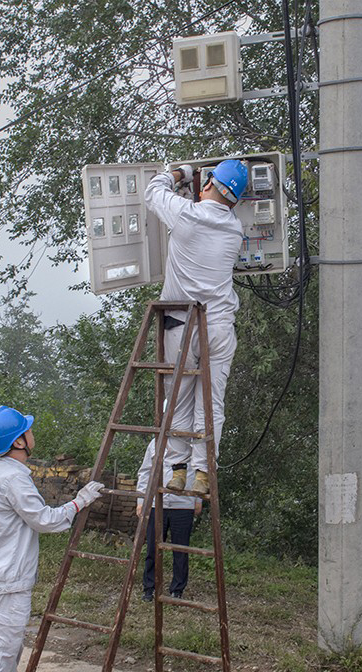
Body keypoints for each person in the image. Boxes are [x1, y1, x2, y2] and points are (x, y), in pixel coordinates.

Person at [0, 405, 103, 672]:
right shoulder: (13, 478)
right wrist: (80, 501)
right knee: (2, 644)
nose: (33, 433)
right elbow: (44, 520)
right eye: (27, 430)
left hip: (0, 570)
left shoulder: (0, 470)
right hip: (8, 575)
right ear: (18, 442)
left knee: (10, 641)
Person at [144, 159, 248, 494]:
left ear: (208, 184)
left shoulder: (186, 214)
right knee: (211, 403)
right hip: (218, 327)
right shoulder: (234, 229)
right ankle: (204, 472)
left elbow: (152, 192)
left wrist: (182, 173)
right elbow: (214, 209)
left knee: (177, 399)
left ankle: (177, 469)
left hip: (182, 326)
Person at [136, 438, 202, 602]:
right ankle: (149, 588)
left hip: (184, 504)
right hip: (156, 503)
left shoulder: (193, 442)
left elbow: (200, 471)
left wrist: (198, 500)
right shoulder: (155, 442)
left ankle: (177, 590)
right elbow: (145, 472)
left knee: (180, 550)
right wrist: (140, 500)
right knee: (152, 548)